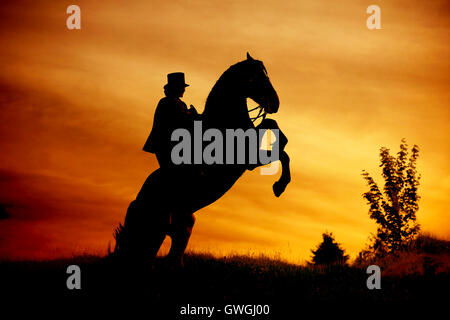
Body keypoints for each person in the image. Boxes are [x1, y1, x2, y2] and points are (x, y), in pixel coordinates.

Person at [143, 72, 198, 169]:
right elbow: (176, 121)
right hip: (165, 144)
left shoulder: (180, 103)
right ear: (175, 88)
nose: (184, 90)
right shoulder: (165, 102)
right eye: (182, 87)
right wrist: (191, 115)